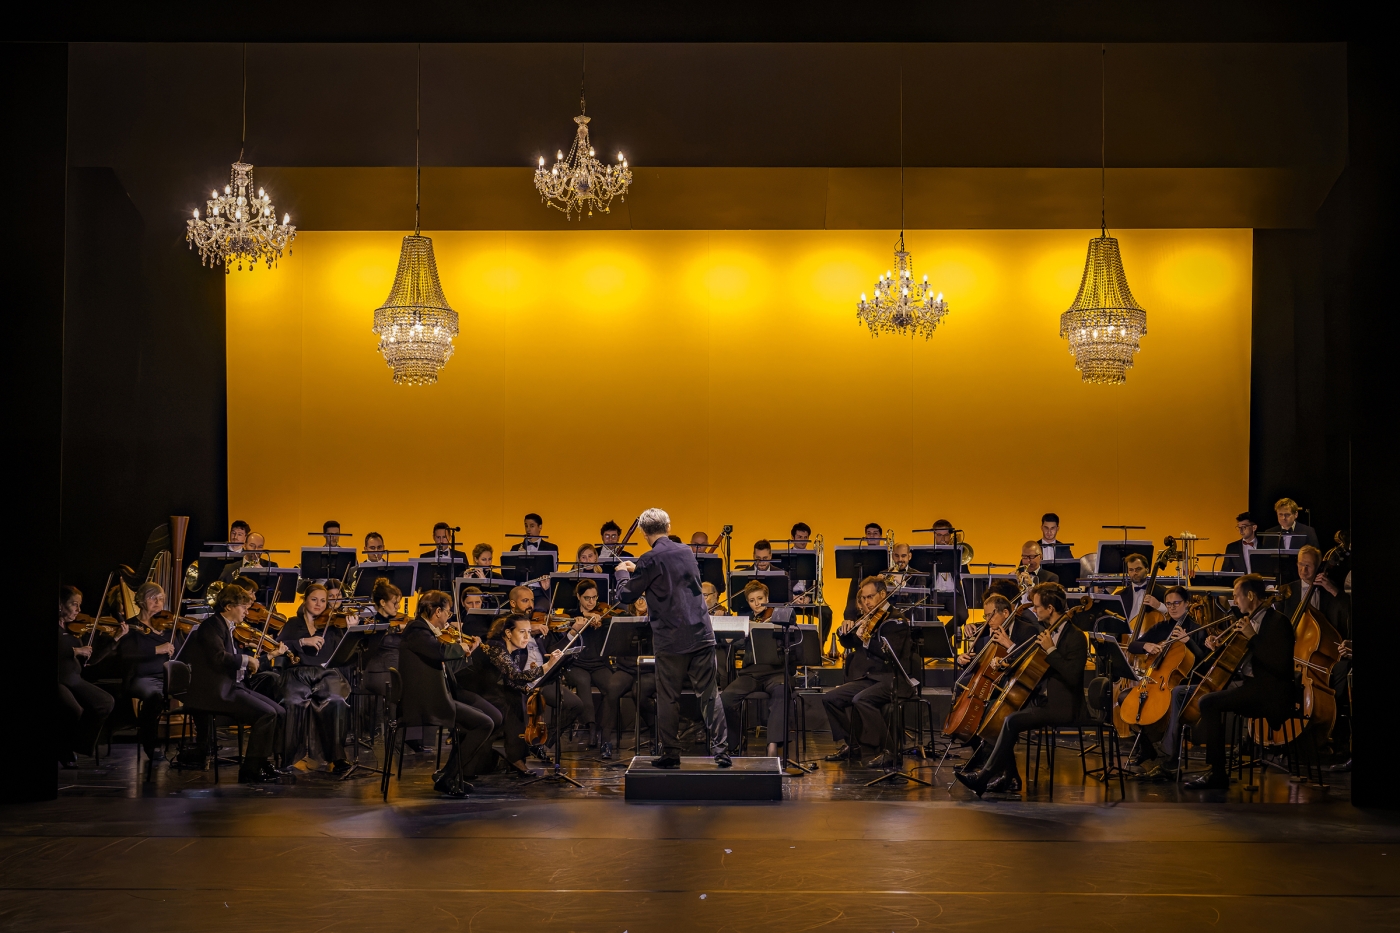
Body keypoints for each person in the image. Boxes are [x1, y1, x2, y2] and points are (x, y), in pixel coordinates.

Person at [613, 508, 730, 769]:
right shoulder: (686, 551)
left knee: (668, 697)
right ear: (668, 526)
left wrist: (623, 573)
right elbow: (668, 576)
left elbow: (627, 596)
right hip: (701, 633)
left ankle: (671, 754)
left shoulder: (648, 559)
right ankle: (722, 752)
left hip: (671, 639)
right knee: (710, 695)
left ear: (643, 533)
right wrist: (640, 567)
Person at [955, 583, 1088, 796]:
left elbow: (1073, 676)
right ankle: (1007, 776)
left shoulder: (1075, 636)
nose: (1033, 611)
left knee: (1010, 720)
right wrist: (1009, 664)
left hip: (1062, 705)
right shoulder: (1048, 632)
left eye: (1037, 607)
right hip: (1040, 699)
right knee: (1003, 716)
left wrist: (1051, 650)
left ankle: (985, 776)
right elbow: (1033, 666)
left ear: (1050, 608)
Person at [1185, 574, 1295, 790]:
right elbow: (1234, 660)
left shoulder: (1278, 622)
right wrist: (1216, 649)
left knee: (1209, 702)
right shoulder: (1247, 622)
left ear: (1251, 595)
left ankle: (1218, 774)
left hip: (1271, 690)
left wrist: (1252, 637)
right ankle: (1215, 769)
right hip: (1250, 685)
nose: (1235, 602)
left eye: (1237, 597)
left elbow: (1280, 665)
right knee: (1202, 695)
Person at [183, 581, 286, 783]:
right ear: (228, 606)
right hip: (216, 692)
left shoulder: (227, 627)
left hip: (233, 686)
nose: (247, 612)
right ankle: (250, 770)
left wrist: (250, 662)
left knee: (280, 712)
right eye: (243, 607)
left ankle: (262, 761)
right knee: (266, 714)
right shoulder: (210, 626)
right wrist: (246, 660)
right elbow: (218, 658)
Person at [397, 590, 496, 795]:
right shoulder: (416, 630)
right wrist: (461, 646)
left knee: (478, 723)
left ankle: (448, 774)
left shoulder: (427, 633)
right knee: (484, 724)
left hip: (439, 696)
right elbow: (439, 653)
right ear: (437, 611)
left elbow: (446, 667)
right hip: (427, 701)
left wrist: (469, 651)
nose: (448, 618)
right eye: (448, 613)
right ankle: (448, 776)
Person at [821, 575, 912, 768]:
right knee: (831, 698)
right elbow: (850, 642)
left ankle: (890, 751)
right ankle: (853, 745)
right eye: (863, 598)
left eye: (870, 597)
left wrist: (867, 640)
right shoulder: (868, 618)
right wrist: (842, 631)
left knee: (861, 699)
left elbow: (890, 654)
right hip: (871, 678)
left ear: (882, 594)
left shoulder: (897, 621)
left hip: (893, 678)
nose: (866, 602)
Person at [469, 612, 567, 775]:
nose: (527, 637)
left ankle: (517, 757)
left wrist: (537, 685)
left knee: (517, 697)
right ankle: (515, 759)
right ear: (508, 633)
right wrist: (546, 667)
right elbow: (516, 676)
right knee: (512, 700)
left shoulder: (515, 651)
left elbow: (514, 681)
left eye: (529, 632)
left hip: (492, 692)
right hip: (476, 694)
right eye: (522, 632)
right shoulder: (495, 647)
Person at [1120, 585, 1205, 768]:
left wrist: (1188, 641)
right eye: (1169, 604)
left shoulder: (1196, 629)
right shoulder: (1162, 627)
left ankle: (1172, 755)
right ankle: (1147, 748)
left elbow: (1203, 663)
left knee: (1171, 702)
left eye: (1177, 603)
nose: (1173, 607)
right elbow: (1133, 645)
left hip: (1183, 685)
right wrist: (1147, 646)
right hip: (1156, 683)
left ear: (1187, 604)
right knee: (1125, 697)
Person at [276, 583, 353, 773]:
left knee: (336, 701)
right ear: (305, 600)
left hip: (325, 673)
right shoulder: (294, 623)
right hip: (297, 673)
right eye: (314, 599)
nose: (319, 604)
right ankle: (288, 757)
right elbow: (278, 646)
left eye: (323, 601)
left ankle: (337, 756)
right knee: (292, 702)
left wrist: (350, 631)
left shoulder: (333, 625)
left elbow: (344, 654)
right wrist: (302, 641)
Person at [561, 579, 635, 760]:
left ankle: (604, 735)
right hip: (576, 664)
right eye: (587, 598)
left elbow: (620, 628)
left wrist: (604, 624)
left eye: (594, 598)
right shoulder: (570, 615)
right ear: (578, 597)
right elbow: (563, 644)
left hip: (599, 664)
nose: (591, 602)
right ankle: (591, 726)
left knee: (611, 688)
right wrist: (575, 628)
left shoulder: (604, 615)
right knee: (582, 682)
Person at [721, 580, 788, 757]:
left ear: (767, 598)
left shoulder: (779, 617)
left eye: (760, 598)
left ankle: (772, 745)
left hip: (776, 672)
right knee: (726, 698)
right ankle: (735, 741)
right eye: (752, 600)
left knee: (781, 691)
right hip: (751, 673)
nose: (757, 603)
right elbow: (736, 642)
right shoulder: (748, 622)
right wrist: (730, 636)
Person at [117, 582, 178, 765]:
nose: (158, 602)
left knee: (198, 691)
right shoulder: (130, 626)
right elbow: (126, 654)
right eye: (153, 598)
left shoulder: (167, 627)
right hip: (140, 677)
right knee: (154, 696)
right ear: (141, 600)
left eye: (161, 599)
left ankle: (201, 746)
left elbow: (181, 651)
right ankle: (150, 744)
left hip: (166, 677)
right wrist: (156, 649)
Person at [56, 585, 117, 768]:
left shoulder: (74, 630)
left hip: (74, 679)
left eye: (79, 605)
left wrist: (114, 640)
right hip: (58, 679)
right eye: (74, 604)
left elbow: (90, 659)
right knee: (73, 710)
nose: (78, 610)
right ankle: (64, 749)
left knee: (105, 702)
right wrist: (75, 650)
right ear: (60, 604)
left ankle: (75, 746)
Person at [1112, 553, 1166, 625]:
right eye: (1131, 570)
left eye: (1138, 569)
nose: (1135, 573)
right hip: (1126, 635)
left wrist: (1158, 605)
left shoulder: (1163, 592)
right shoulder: (1120, 595)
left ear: (1147, 569)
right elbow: (1114, 623)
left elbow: (1174, 615)